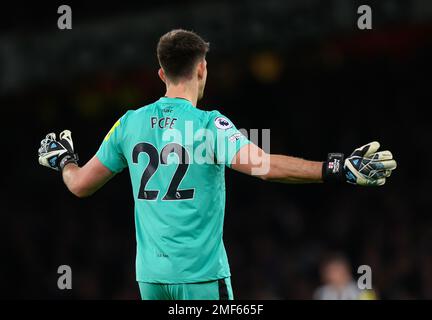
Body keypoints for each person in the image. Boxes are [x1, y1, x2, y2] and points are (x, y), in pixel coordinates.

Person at [37, 29, 397, 300]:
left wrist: (65, 160)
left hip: (150, 280)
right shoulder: (209, 126)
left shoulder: (129, 123)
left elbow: (80, 184)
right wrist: (337, 168)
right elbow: (264, 165)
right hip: (202, 279)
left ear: (162, 74)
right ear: (202, 69)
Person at [313, 254, 377, 300]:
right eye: (328, 271)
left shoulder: (363, 291)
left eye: (336, 269)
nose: (330, 274)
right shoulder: (322, 293)